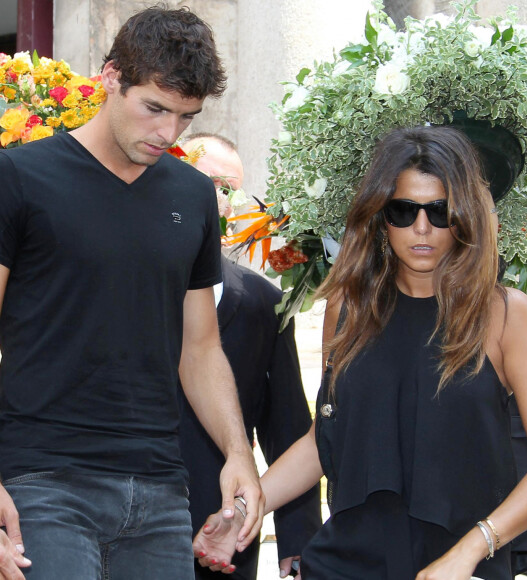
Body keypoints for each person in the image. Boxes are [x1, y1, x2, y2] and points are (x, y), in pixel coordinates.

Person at [192, 125, 527, 580]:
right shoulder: (348, 308)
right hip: (347, 563)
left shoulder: (505, 315)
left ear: (465, 217)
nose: (421, 228)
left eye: (440, 211)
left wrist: (471, 550)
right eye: (403, 210)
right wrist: (241, 510)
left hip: (457, 568)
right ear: (380, 216)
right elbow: (325, 440)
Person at [0, 7, 265, 580]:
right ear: (111, 76)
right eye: (155, 109)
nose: (168, 134)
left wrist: (239, 456)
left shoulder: (194, 196)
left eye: (186, 118)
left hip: (161, 493)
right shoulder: (18, 177)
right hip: (42, 483)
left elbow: (200, 349)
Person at [177, 133, 321, 580]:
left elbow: (289, 426)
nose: (219, 200)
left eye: (230, 189)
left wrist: (298, 545)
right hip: (120, 522)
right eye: (210, 182)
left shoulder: (263, 302)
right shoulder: (120, 281)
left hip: (223, 529)